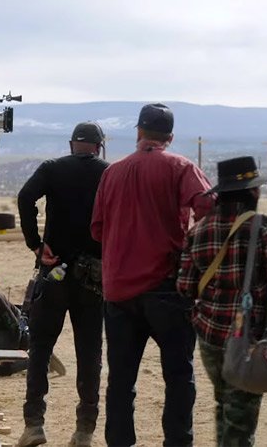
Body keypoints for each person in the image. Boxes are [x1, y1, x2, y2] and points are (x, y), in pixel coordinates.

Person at [91, 103, 214, 446]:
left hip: (119, 290)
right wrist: (189, 239)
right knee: (178, 375)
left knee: (120, 380)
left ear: (139, 132)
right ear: (169, 137)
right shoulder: (180, 167)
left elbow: (98, 230)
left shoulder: (112, 173)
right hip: (166, 287)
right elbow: (209, 208)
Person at [177, 156, 267, 446]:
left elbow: (185, 287)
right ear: (253, 191)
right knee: (241, 417)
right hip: (248, 338)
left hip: (209, 335)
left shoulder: (198, 230)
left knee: (224, 404)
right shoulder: (264, 227)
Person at [16, 122, 109, 447]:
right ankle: (84, 430)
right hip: (93, 278)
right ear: (99, 146)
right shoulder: (108, 173)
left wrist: (35, 244)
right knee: (90, 352)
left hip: (53, 271)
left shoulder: (52, 168)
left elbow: (25, 197)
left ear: (72, 144)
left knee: (40, 348)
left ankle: (34, 425)